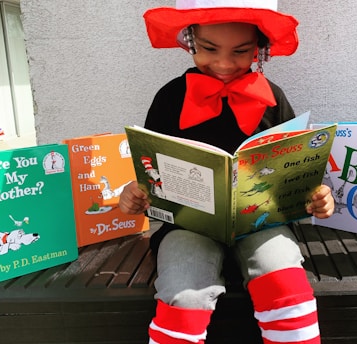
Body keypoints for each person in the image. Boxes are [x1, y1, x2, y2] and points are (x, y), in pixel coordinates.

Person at [119, 1, 335, 343]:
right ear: (190, 39)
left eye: (241, 51)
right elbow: (149, 169)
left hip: (263, 224)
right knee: (184, 295)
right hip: (188, 226)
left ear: (260, 49)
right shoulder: (169, 98)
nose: (223, 62)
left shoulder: (273, 98)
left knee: (286, 285)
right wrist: (134, 193)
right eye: (208, 48)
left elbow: (296, 168)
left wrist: (317, 195)